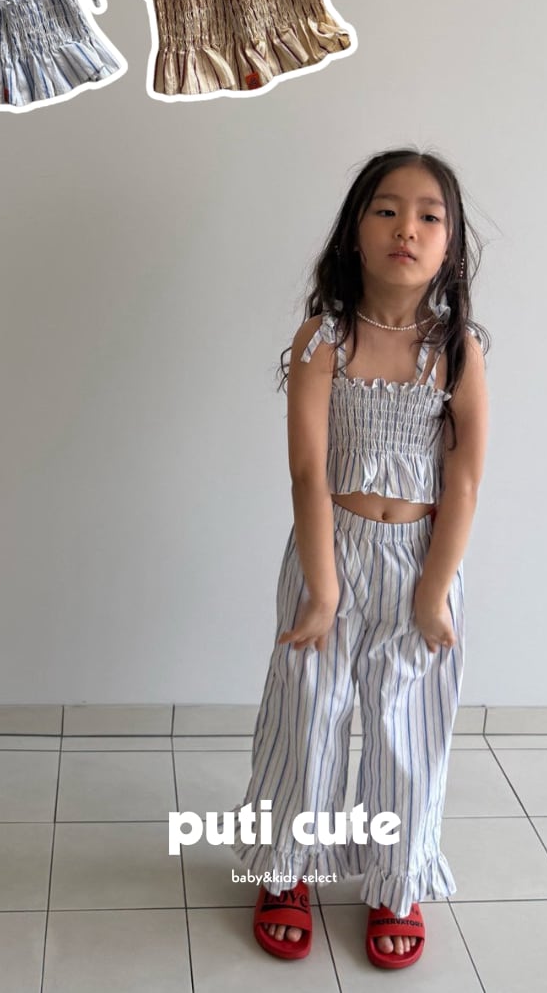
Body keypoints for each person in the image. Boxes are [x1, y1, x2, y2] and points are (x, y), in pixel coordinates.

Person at [230, 147, 490, 970]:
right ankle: (286, 868)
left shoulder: (457, 350)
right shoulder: (325, 340)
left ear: (450, 244)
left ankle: (394, 879)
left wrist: (434, 591)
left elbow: (465, 477)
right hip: (329, 551)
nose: (406, 228)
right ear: (354, 232)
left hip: (421, 562)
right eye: (386, 209)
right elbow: (309, 471)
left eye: (428, 216)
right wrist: (322, 589)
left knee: (405, 728)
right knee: (307, 717)